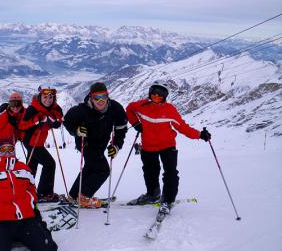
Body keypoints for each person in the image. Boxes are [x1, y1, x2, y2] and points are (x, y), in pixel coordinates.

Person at [125, 80, 212, 214]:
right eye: (154, 95)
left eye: (160, 96)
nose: (156, 98)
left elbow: (183, 127)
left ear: (165, 97)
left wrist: (200, 135)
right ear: (150, 94)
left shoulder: (170, 110)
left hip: (167, 145)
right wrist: (136, 123)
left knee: (170, 173)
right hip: (148, 146)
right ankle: (153, 195)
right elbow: (129, 109)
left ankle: (167, 200)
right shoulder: (141, 105)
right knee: (150, 172)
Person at [63, 82, 128, 207]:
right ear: (91, 97)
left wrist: (116, 145)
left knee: (90, 168)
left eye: (103, 96)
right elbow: (67, 121)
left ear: (107, 95)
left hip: (101, 144)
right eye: (97, 97)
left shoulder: (115, 108)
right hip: (85, 144)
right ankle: (84, 197)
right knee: (103, 170)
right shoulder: (81, 110)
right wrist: (76, 131)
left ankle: (74, 195)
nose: (101, 100)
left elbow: (121, 128)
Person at [19, 85, 64, 202]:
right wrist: (37, 121)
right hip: (31, 142)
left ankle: (25, 191)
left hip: (39, 141)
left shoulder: (55, 108)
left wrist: (55, 122)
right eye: (45, 97)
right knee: (50, 164)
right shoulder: (33, 109)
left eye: (51, 97)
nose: (48, 100)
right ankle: (44, 193)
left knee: (31, 167)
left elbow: (60, 119)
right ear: (40, 97)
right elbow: (22, 125)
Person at [0, 92, 25, 157]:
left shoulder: (20, 113)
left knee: (11, 164)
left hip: (10, 144)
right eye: (13, 104)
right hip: (0, 144)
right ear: (9, 104)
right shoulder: (4, 115)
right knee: (6, 164)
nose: (15, 107)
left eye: (18, 104)